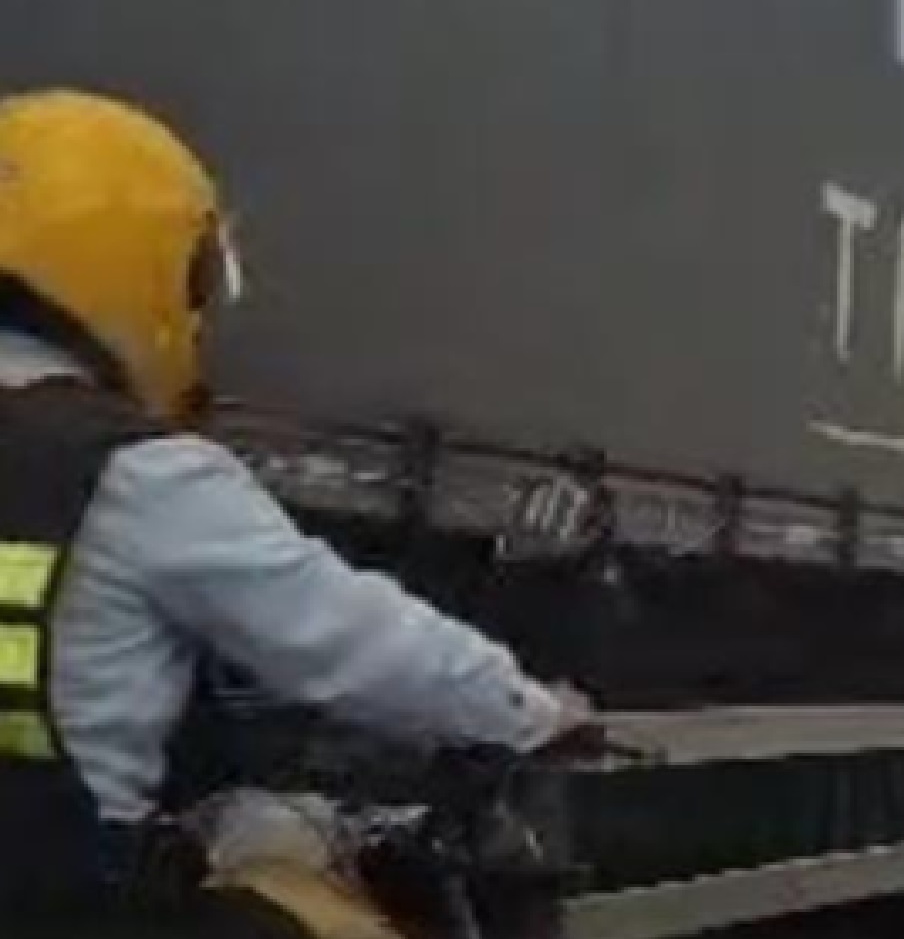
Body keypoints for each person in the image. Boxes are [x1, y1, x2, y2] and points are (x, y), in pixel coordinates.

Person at [0, 90, 591, 929]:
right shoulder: (138, 474)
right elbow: (347, 639)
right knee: (304, 879)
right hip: (62, 908)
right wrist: (527, 710)